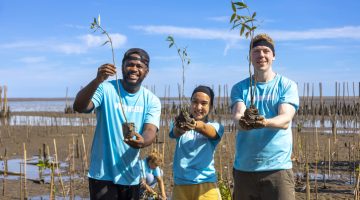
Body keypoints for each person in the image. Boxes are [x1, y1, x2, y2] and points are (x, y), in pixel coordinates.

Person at [73, 48, 161, 200]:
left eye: (139, 66)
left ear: (147, 71)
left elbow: (150, 130)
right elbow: (80, 107)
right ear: (122, 67)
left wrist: (142, 141)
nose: (134, 69)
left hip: (131, 175)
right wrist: (97, 80)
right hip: (102, 174)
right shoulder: (105, 89)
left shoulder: (152, 100)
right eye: (130, 64)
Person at [230, 33, 299, 200]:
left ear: (273, 56)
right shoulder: (240, 88)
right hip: (245, 169)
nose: (261, 55)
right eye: (256, 51)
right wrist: (244, 122)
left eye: (266, 51)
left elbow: (285, 119)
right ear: (249, 57)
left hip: (277, 170)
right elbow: (238, 116)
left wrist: (263, 122)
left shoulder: (286, 85)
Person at [169, 85, 224, 200]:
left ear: (211, 106)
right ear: (190, 103)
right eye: (195, 102)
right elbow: (175, 132)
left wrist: (192, 124)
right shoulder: (179, 124)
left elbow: (206, 129)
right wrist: (181, 127)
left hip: (206, 185)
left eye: (204, 103)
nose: (198, 107)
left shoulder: (216, 126)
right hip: (180, 185)